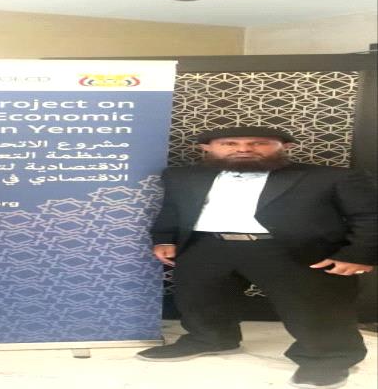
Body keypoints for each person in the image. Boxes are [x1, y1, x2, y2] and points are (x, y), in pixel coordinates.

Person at [135, 126, 376, 389]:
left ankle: (329, 358)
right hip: (205, 245)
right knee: (200, 299)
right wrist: (164, 239)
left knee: (314, 306)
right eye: (229, 144)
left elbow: (368, 217)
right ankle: (210, 338)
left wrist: (358, 254)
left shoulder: (332, 177)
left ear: (286, 147)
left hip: (292, 249)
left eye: (259, 143)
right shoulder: (181, 176)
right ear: (206, 148)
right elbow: (172, 209)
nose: (243, 149)